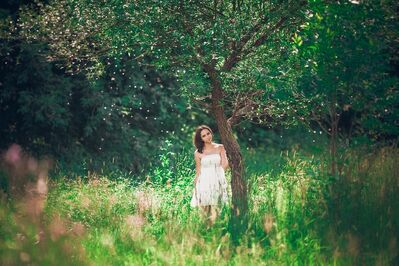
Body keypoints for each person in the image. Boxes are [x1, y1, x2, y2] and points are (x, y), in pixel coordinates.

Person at [190, 125, 229, 223]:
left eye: (208, 133)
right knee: (204, 213)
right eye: (204, 136)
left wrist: (218, 176)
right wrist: (195, 187)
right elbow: (198, 171)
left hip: (216, 180)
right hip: (203, 182)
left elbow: (225, 165)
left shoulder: (220, 147)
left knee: (215, 211)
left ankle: (216, 233)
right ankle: (205, 234)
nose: (207, 136)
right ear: (201, 139)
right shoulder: (198, 152)